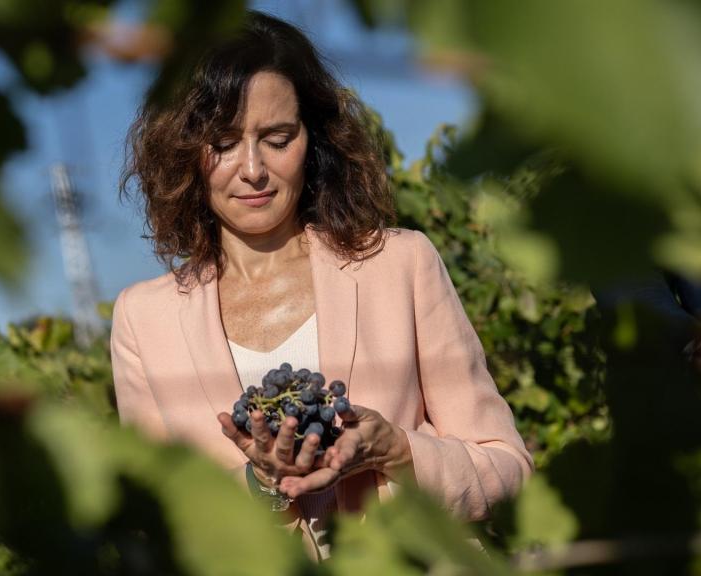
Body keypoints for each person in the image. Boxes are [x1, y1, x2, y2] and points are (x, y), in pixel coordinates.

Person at [112, 11, 532, 558]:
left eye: (277, 138)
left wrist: (399, 452)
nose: (254, 169)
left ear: (313, 140)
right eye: (223, 143)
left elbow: (508, 469)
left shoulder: (401, 264)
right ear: (183, 151)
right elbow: (157, 525)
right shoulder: (144, 319)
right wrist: (260, 485)